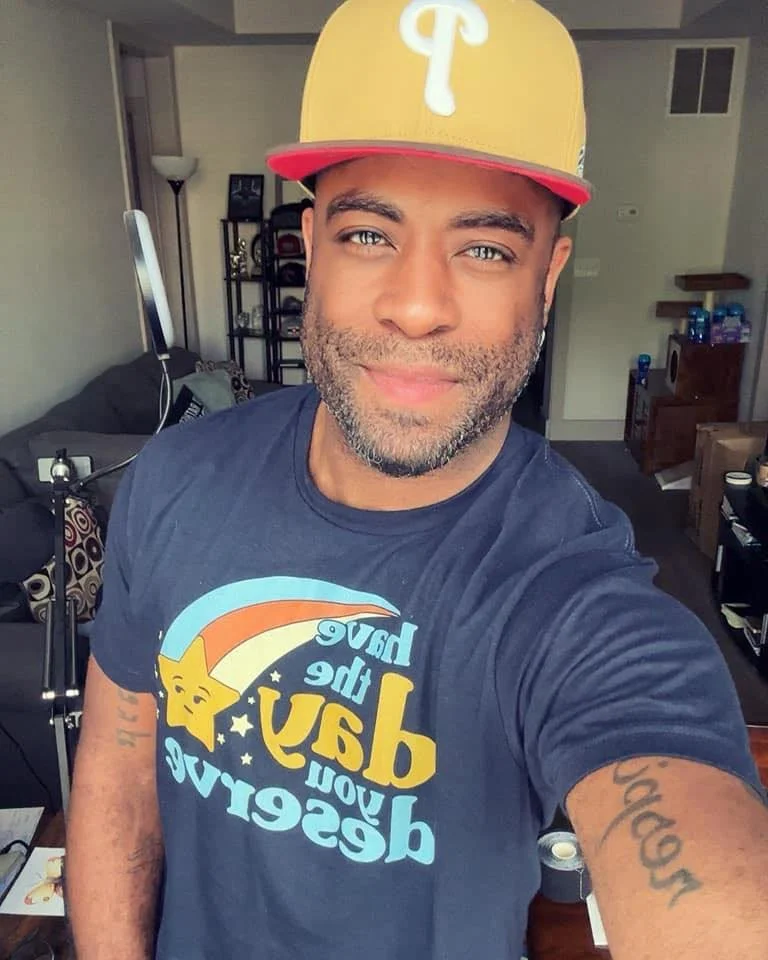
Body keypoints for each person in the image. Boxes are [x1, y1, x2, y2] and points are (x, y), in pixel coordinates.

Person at [67, 0, 768, 958]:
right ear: (308, 246)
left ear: (548, 275)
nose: (417, 305)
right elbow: (117, 766)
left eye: (485, 248)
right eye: (368, 235)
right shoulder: (178, 477)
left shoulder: (573, 597)